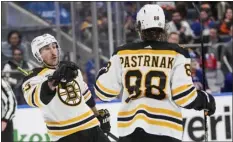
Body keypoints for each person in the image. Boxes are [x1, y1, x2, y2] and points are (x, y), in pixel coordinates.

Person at [95, 4, 216, 142]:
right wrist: (205, 100)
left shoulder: (122, 53)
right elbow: (184, 96)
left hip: (130, 132)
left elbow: (103, 92)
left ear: (139, 27)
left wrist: (102, 72)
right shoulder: (177, 53)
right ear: (164, 27)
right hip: (165, 131)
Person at [21, 34, 111, 142]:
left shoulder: (70, 67)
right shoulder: (33, 77)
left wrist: (97, 114)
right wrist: (54, 81)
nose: (53, 52)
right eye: (47, 49)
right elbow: (35, 100)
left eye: (54, 47)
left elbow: (84, 92)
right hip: (64, 135)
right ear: (38, 54)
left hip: (90, 126)